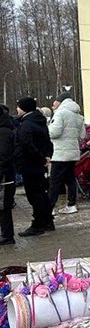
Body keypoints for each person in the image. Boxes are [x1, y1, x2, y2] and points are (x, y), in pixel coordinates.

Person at [14, 97, 53, 236]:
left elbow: (27, 145)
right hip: (38, 163)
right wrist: (47, 156)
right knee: (41, 193)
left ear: (24, 108)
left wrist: (41, 158)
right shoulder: (39, 121)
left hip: (30, 164)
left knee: (34, 195)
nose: (16, 109)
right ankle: (48, 220)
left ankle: (38, 224)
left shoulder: (26, 125)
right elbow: (48, 142)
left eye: (18, 107)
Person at [0, 105, 15, 245]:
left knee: (3, 206)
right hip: (4, 173)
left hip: (4, 176)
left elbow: (3, 156)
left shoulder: (4, 132)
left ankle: (7, 235)